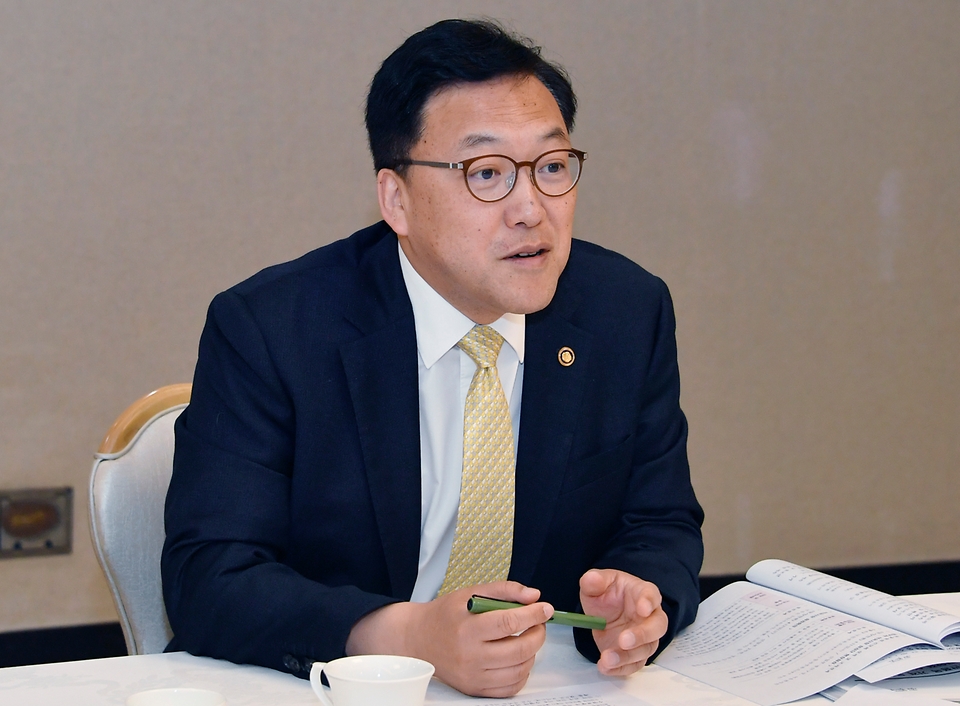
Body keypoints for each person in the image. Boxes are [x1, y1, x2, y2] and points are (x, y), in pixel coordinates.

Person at [162, 18, 703, 698]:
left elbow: (660, 522)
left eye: (552, 167)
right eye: (487, 173)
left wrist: (638, 597)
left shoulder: (624, 312)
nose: (531, 209)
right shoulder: (273, 328)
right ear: (397, 200)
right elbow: (209, 576)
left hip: (546, 686)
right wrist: (406, 635)